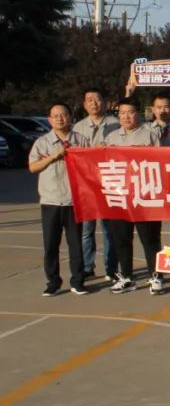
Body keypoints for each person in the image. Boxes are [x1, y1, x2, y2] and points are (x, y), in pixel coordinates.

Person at [103, 97, 164, 295]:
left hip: (144, 196)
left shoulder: (149, 135)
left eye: (130, 112)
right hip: (120, 196)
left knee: (150, 238)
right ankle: (127, 276)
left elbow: (160, 162)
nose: (126, 117)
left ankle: (156, 276)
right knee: (121, 237)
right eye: (122, 113)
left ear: (138, 113)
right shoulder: (111, 137)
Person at [29, 103, 90, 296]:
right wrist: (52, 157)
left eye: (63, 115)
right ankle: (53, 281)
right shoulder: (42, 142)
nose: (60, 119)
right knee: (51, 244)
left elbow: (91, 164)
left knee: (76, 244)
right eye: (55, 116)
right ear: (49, 120)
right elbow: (33, 167)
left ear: (70, 117)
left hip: (74, 201)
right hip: (51, 200)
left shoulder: (81, 140)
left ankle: (78, 281)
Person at [73, 87, 120, 280]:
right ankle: (87, 266)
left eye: (98, 99)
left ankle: (111, 268)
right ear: (84, 105)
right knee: (86, 229)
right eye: (90, 100)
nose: (94, 103)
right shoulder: (78, 127)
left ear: (105, 102)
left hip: (109, 182)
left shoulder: (116, 124)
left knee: (110, 230)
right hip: (85, 184)